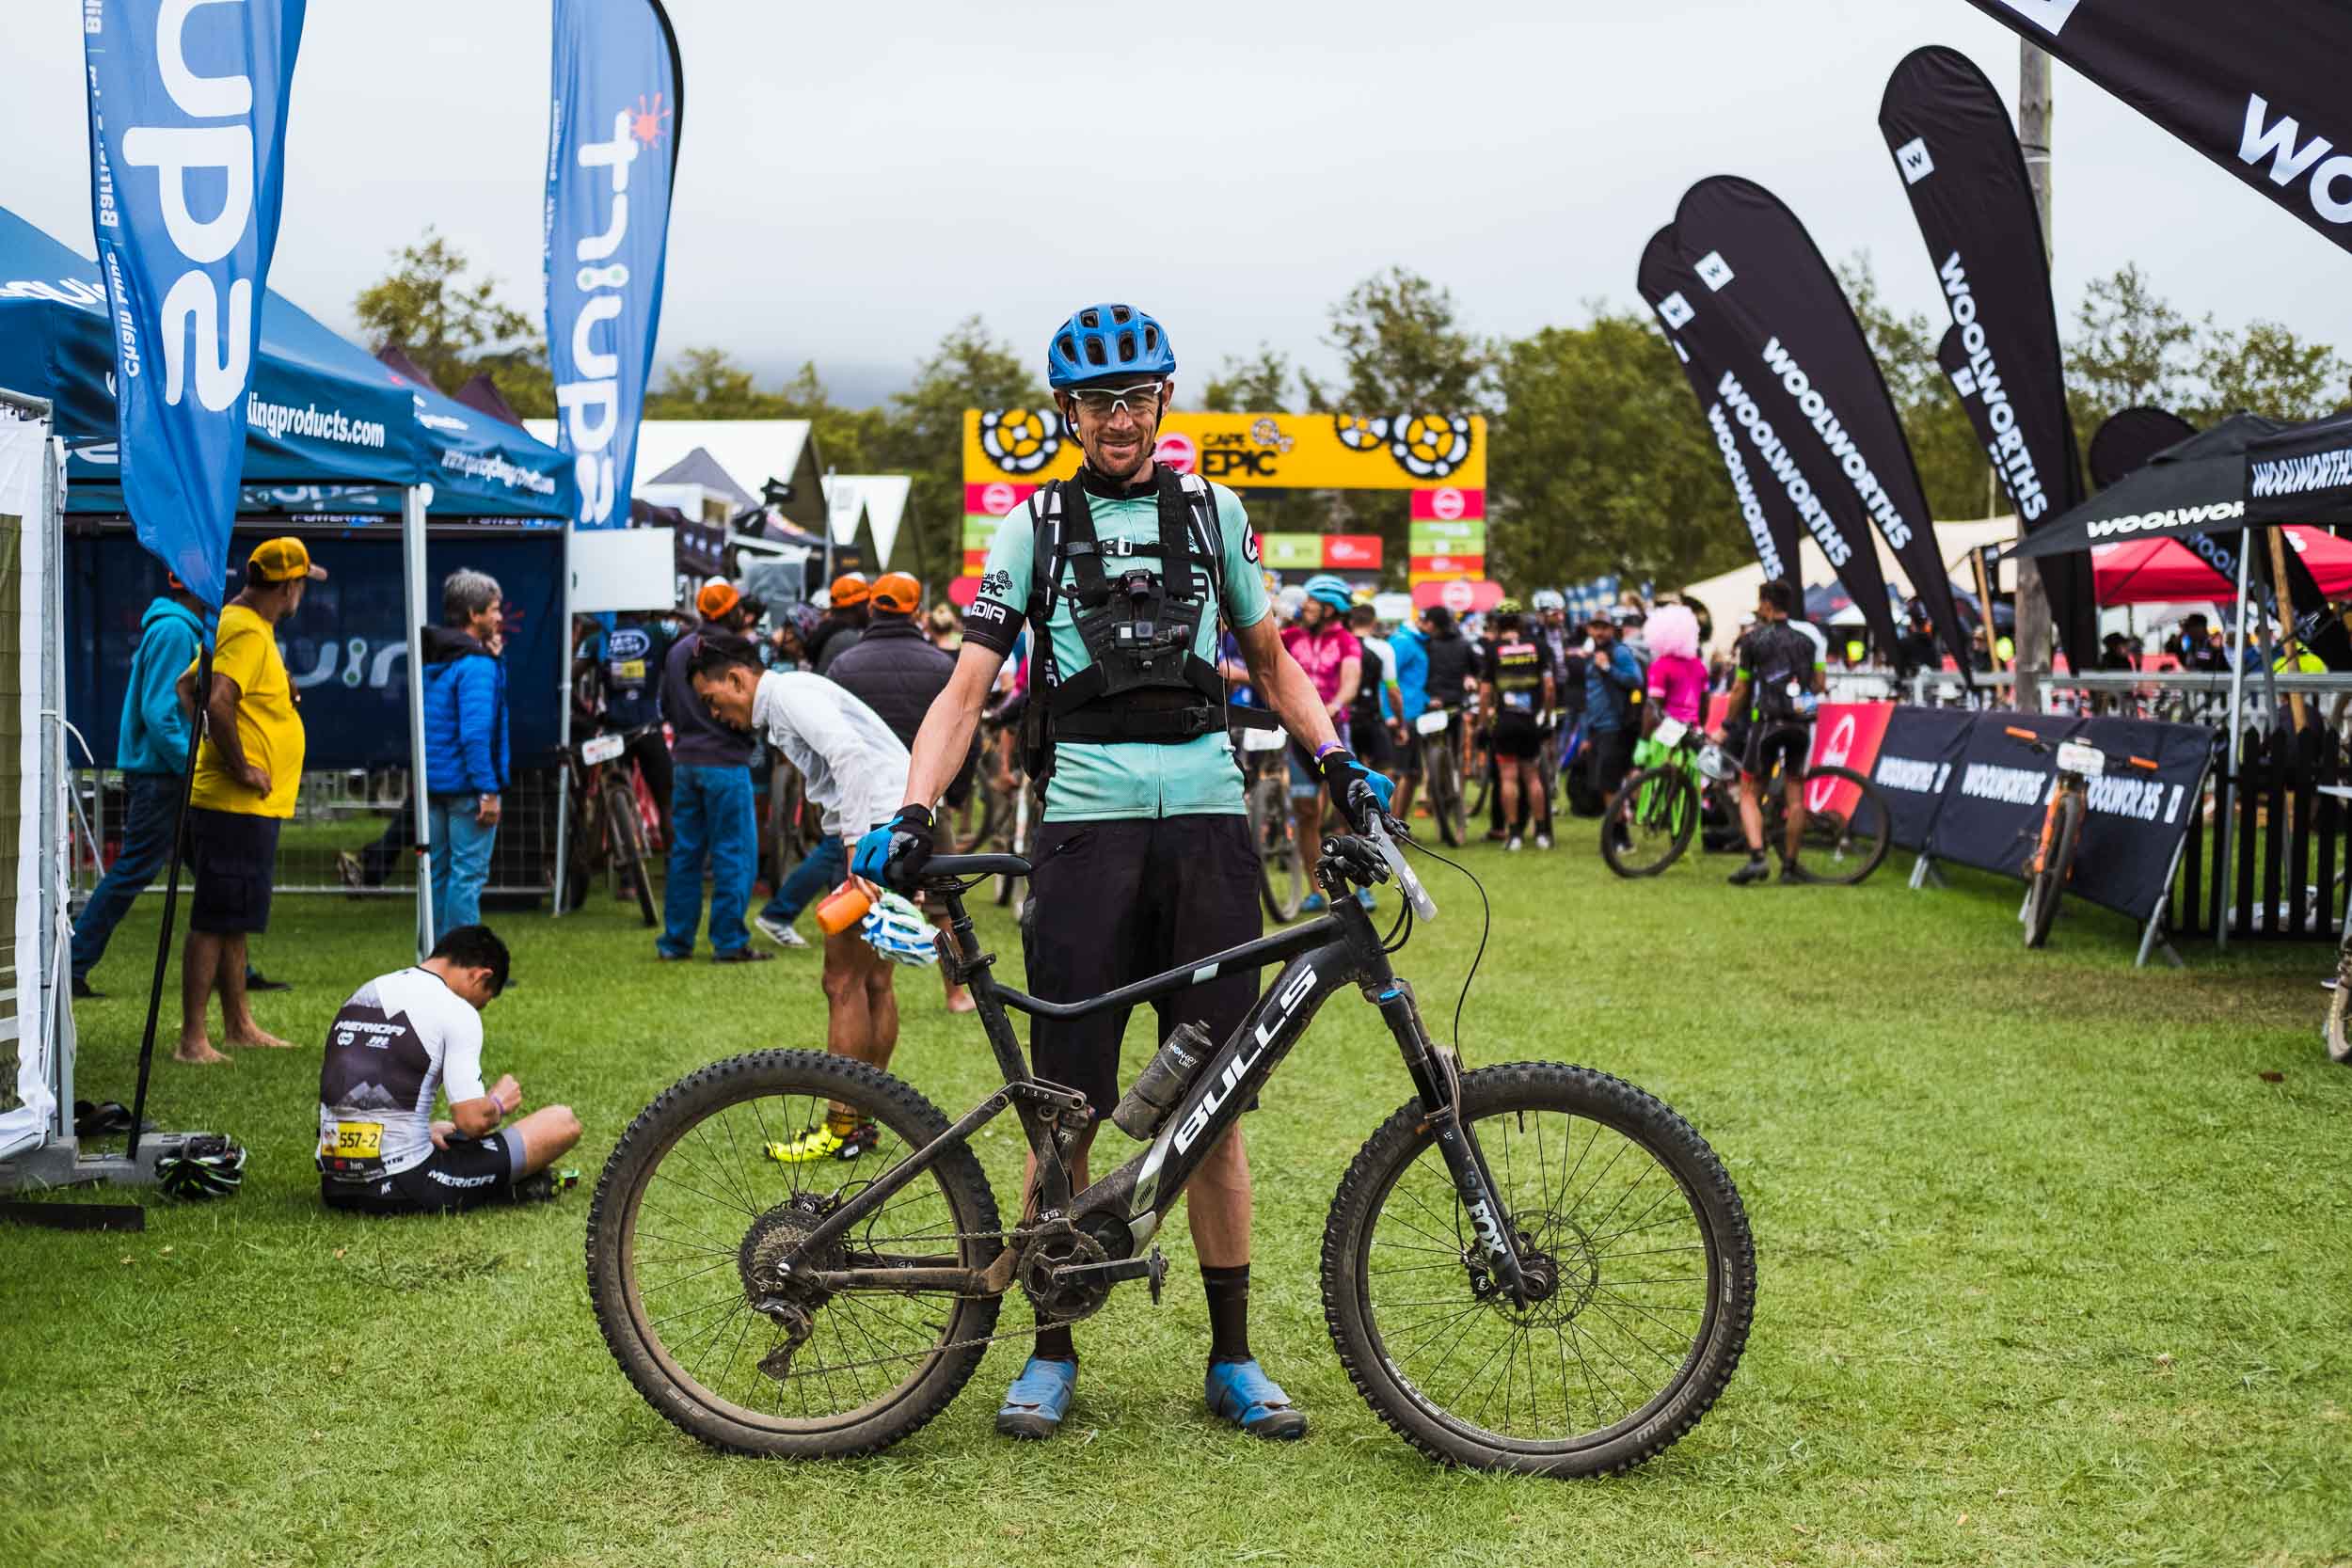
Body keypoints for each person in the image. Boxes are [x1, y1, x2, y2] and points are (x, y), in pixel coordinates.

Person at [853, 302, 1392, 1446]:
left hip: (1205, 835)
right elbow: (963, 693)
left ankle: (1233, 1356)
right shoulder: (1032, 527)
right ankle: (1051, 1351)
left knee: (1217, 1101)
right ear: (1068, 413)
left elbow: (1271, 663)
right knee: (1067, 1111)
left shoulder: (1216, 514)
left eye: (1135, 397)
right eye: (1096, 401)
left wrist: (1341, 762)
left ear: (1161, 404)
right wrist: (913, 806)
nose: (1115, 418)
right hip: (1084, 837)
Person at [688, 633, 914, 1160]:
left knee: (842, 982)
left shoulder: (789, 695)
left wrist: (856, 845)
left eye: (713, 699)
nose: (716, 713)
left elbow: (849, 754)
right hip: (894, 822)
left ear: (738, 679)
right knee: (875, 981)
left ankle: (843, 1126)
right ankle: (864, 1117)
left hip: (875, 827)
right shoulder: (794, 693)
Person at [171, 538, 321, 1065]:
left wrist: (277, 696)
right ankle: (194, 1039)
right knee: (214, 918)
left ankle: (238, 1025)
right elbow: (211, 697)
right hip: (234, 804)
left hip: (245, 806)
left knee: (233, 919)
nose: (303, 594)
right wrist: (236, 764)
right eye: (302, 583)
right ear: (287, 587)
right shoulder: (246, 630)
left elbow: (189, 687)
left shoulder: (241, 626)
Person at [315, 924, 581, 1213]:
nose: (475, 1009)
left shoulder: (364, 992)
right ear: (482, 976)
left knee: (448, 1134)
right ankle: (508, 1187)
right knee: (562, 1122)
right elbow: (472, 1121)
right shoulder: (455, 1010)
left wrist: (421, 1130)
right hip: (406, 1185)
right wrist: (496, 1105)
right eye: (481, 1003)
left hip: (335, 1184)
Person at [70, 572, 207, 999]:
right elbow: (160, 712)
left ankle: (233, 967)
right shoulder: (174, 632)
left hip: (163, 772)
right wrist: (193, 766)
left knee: (211, 873)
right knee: (133, 871)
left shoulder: (174, 628)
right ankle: (73, 963)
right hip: (163, 775)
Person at [657, 578, 771, 964]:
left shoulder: (676, 652)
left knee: (685, 853)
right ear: (732, 611)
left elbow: (666, 705)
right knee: (733, 853)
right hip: (726, 763)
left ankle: (675, 941)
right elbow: (754, 706)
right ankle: (728, 941)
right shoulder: (739, 650)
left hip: (686, 761)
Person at [1710, 579, 1826, 887]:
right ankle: (1789, 867)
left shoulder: (1754, 641)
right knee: (1796, 796)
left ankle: (1758, 858)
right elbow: (1818, 684)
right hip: (1802, 722)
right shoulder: (1808, 640)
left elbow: (1740, 688)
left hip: (1768, 724)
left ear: (1766, 604)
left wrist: (1725, 726)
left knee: (1748, 793)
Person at [420, 569, 509, 938]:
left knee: (438, 873)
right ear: (474, 615)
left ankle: (435, 959)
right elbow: (476, 734)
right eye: (493, 609)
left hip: (435, 782)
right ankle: (462, 962)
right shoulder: (476, 666)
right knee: (467, 875)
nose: (500, 617)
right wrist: (487, 790)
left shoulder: (436, 659)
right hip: (467, 787)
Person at [1281, 574, 1363, 913]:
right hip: (1296, 736)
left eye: (1312, 601)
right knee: (1305, 813)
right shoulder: (1289, 637)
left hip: (1333, 734)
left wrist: (1335, 704)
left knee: (1346, 811)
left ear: (1331, 608)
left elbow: (1351, 682)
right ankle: (1317, 889)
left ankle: (1359, 884)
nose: (1305, 606)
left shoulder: (1347, 641)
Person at [588, 608, 678, 852]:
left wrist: (586, 714)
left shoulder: (599, 639)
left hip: (614, 730)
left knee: (615, 796)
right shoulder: (658, 631)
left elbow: (568, 678)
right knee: (666, 802)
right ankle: (674, 869)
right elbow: (695, 628)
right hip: (648, 728)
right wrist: (668, 609)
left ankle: (627, 880)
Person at [1478, 599, 1555, 849]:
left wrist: (1482, 725)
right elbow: (1550, 687)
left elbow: (1484, 693)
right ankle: (1542, 833)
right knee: (1533, 777)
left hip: (1505, 721)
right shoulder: (1539, 646)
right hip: (1530, 720)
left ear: (1498, 623)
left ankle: (1513, 835)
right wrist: (1546, 716)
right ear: (1520, 621)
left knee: (1508, 778)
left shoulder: (1492, 649)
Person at [1581, 610, 1645, 814]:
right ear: (1589, 629)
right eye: (1595, 627)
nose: (1599, 632)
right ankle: (1622, 829)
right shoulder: (1592, 655)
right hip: (1597, 726)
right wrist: (1586, 732)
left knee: (1610, 784)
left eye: (1604, 627)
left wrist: (1608, 668)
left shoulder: (1619, 652)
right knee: (1607, 782)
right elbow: (1590, 694)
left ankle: (1619, 836)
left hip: (1615, 725)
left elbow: (1636, 680)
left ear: (1612, 629)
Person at [1344, 602, 1402, 787]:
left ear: (1351, 622)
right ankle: (1381, 815)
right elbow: (1393, 691)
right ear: (1374, 622)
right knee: (1385, 772)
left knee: (1342, 778)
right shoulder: (1383, 648)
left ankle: (1339, 815)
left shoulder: (1340, 644)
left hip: (1343, 719)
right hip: (1371, 718)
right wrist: (1400, 723)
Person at [1385, 607, 1430, 822]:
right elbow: (1386, 680)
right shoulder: (1403, 641)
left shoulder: (1417, 641)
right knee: (1396, 772)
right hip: (1401, 715)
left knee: (1412, 774)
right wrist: (1389, 713)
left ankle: (1398, 827)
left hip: (1413, 713)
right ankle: (1383, 828)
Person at [1643, 602, 1708, 729]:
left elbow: (1653, 709)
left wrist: (1644, 742)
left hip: (1667, 738)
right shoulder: (1699, 666)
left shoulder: (1660, 667)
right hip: (1693, 734)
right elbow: (1705, 704)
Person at [807, 574, 870, 674]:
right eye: (868, 602)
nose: (870, 608)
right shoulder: (848, 641)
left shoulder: (827, 633)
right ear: (858, 607)